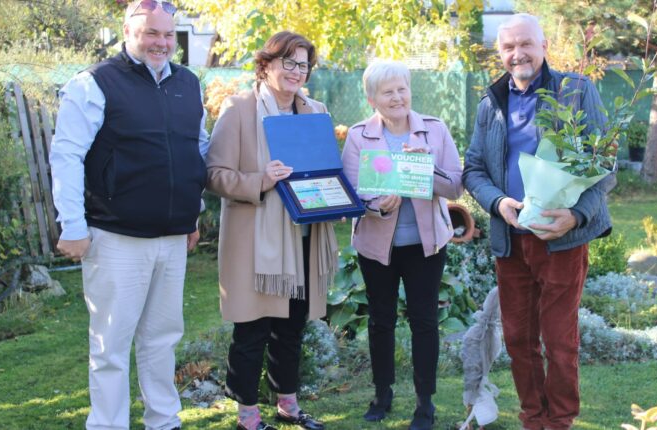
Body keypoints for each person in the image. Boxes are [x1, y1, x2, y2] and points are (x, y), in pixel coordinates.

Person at [49, 1, 209, 429]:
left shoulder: (189, 84)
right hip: (115, 236)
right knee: (111, 345)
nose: (160, 42)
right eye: (150, 32)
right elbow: (66, 155)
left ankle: (164, 421)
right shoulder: (94, 83)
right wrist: (73, 226)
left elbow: (194, 151)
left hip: (173, 238)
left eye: (167, 34)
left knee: (162, 339)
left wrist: (194, 213)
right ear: (126, 29)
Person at [462, 13, 614, 430]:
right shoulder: (490, 103)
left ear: (544, 46)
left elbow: (605, 164)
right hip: (511, 241)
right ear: (500, 53)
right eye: (508, 47)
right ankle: (533, 417)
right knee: (518, 340)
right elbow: (473, 168)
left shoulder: (575, 91)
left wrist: (577, 215)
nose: (517, 54)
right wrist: (497, 203)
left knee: (559, 341)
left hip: (561, 240)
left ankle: (560, 420)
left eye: (525, 44)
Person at [205, 31, 337, 430]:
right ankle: (247, 415)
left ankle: (288, 407)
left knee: (290, 328)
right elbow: (215, 176)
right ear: (266, 65)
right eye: (289, 63)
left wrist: (335, 196)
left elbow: (324, 169)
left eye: (303, 65)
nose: (297, 72)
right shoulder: (240, 109)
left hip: (302, 237)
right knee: (252, 330)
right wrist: (260, 180)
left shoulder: (315, 110)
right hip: (255, 245)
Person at [341, 60, 464, 430]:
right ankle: (382, 393)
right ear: (371, 98)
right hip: (378, 246)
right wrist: (378, 204)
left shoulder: (434, 131)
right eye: (387, 91)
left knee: (425, 321)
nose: (397, 97)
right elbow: (352, 192)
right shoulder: (360, 135)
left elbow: (456, 186)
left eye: (402, 89)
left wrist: (429, 169)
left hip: (426, 246)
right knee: (381, 320)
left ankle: (425, 402)